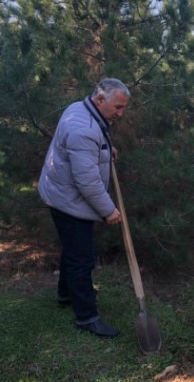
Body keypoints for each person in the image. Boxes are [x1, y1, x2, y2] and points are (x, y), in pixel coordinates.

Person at [38, 78, 131, 338]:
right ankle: (86, 317)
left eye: (123, 108)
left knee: (73, 248)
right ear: (100, 99)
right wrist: (108, 210)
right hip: (69, 201)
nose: (121, 114)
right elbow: (87, 182)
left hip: (60, 192)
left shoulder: (80, 108)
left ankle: (66, 294)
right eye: (118, 107)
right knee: (83, 257)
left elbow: (89, 146)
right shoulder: (83, 129)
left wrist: (104, 149)